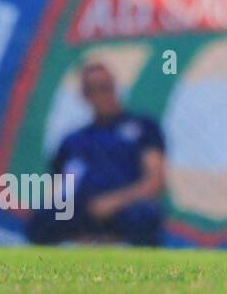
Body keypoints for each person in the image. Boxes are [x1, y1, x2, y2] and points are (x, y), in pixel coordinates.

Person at [26, 60, 166, 247]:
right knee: (44, 219)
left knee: (144, 216)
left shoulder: (142, 127)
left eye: (106, 87)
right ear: (85, 95)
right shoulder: (74, 139)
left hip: (127, 207)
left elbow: (155, 181)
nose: (103, 94)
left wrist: (113, 202)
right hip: (84, 210)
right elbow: (58, 186)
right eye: (95, 89)